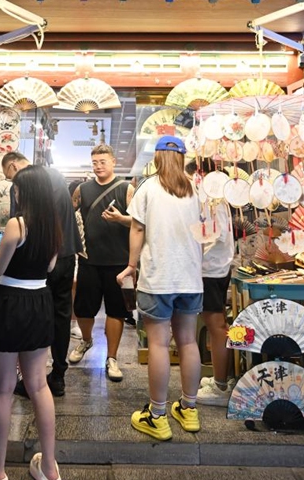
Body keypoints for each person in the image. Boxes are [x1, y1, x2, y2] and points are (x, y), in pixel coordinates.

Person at [0, 165, 62, 480]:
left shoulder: (16, 224)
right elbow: (50, 265)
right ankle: (49, 467)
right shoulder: (52, 226)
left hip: (10, 303)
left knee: (2, 388)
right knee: (39, 385)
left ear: (23, 192)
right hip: (39, 301)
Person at [116, 136, 203, 441]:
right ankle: (189, 409)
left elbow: (137, 228)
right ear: (182, 158)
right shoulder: (196, 188)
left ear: (156, 158)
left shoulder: (148, 188)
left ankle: (157, 416)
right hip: (191, 277)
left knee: (158, 344)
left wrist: (130, 265)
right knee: (188, 342)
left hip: (159, 277)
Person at [2, 151, 81, 396]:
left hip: (45, 256)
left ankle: (32, 378)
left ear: (14, 165)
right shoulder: (55, 176)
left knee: (36, 313)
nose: (13, 185)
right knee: (60, 315)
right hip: (66, 254)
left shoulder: (27, 182)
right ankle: (57, 375)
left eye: (9, 177)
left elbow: (28, 222)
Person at [69, 144, 134, 381]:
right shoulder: (83, 189)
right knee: (84, 309)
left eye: (103, 161)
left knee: (117, 311)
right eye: (95, 162)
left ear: (113, 162)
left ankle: (112, 357)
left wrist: (120, 219)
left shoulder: (127, 189)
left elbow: (139, 223)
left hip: (120, 261)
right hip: (89, 260)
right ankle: (86, 341)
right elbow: (69, 215)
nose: (98, 166)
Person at [196, 199, 236, 406]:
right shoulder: (218, 197)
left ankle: (220, 386)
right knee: (218, 325)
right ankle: (220, 379)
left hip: (209, 268)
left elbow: (214, 235)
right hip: (218, 266)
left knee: (216, 325)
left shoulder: (210, 198)